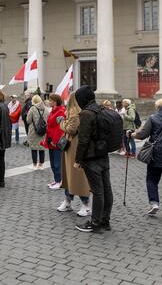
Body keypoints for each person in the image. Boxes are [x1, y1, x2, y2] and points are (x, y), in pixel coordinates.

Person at [131, 98, 162, 217]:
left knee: (152, 179)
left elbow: (143, 135)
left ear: (157, 107)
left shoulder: (153, 118)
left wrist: (132, 134)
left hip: (156, 154)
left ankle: (154, 203)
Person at [74, 85, 113, 233]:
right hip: (103, 155)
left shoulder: (86, 113)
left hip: (91, 157)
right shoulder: (102, 109)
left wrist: (78, 160)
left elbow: (83, 140)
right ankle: (105, 220)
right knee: (106, 189)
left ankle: (95, 222)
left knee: (98, 191)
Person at [55, 92, 91, 217]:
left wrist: (61, 123)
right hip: (70, 147)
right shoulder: (72, 111)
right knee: (69, 176)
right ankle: (68, 201)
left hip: (74, 147)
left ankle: (85, 205)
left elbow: (71, 129)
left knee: (77, 176)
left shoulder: (75, 112)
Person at [42, 94, 65, 188]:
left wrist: (55, 141)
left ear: (55, 101)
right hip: (50, 140)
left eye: (50, 100)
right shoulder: (53, 111)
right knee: (52, 163)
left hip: (55, 142)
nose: (49, 101)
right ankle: (56, 180)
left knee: (57, 163)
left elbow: (60, 129)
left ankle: (60, 181)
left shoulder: (60, 111)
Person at [24, 95, 47, 170]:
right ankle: (41, 165)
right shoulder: (45, 109)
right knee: (41, 148)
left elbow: (28, 120)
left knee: (34, 148)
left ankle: (34, 165)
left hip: (33, 131)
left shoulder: (32, 108)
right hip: (43, 131)